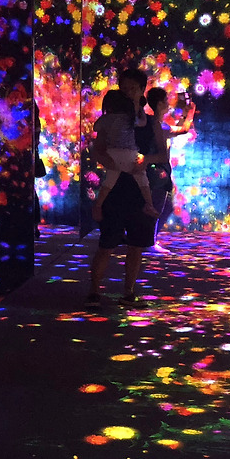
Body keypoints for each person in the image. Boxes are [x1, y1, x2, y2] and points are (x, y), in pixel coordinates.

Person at [86, 67, 167, 307]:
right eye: (124, 88)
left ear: (142, 90)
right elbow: (98, 148)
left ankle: (129, 292)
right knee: (106, 243)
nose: (128, 92)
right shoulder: (113, 118)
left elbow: (162, 154)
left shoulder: (150, 122)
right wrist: (107, 161)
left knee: (136, 245)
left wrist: (146, 160)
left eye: (133, 88)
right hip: (115, 188)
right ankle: (94, 291)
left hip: (139, 188)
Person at [91, 88, 156, 219]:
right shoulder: (129, 118)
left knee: (109, 182)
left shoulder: (106, 118)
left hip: (112, 154)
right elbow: (143, 122)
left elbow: (95, 127)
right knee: (142, 177)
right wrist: (141, 110)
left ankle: (98, 206)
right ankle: (149, 204)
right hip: (130, 154)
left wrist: (105, 122)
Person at [143, 85, 194, 253]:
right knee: (157, 206)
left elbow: (177, 129)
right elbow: (183, 129)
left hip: (157, 170)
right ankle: (148, 242)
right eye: (165, 101)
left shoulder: (155, 124)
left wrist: (185, 115)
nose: (168, 104)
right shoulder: (157, 125)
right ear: (159, 104)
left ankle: (149, 239)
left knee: (163, 206)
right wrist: (190, 114)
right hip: (157, 171)